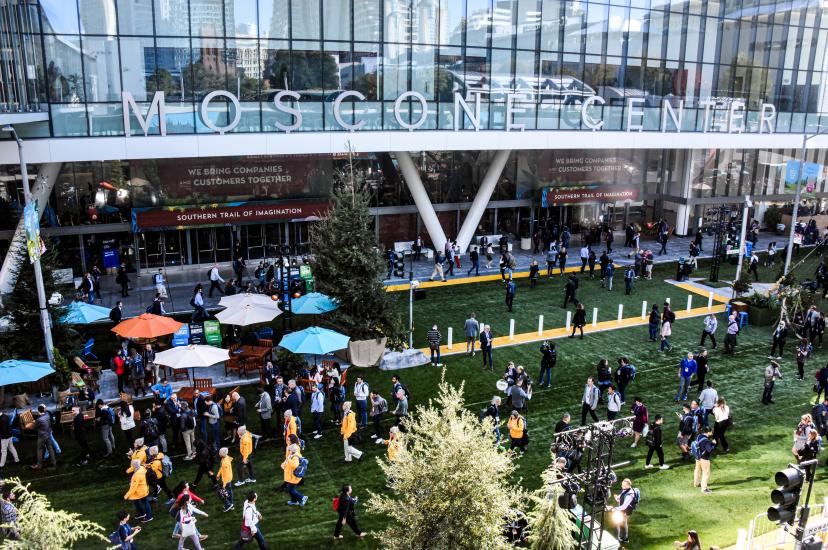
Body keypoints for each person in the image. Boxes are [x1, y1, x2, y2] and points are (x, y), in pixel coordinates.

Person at [31, 404, 56, 470]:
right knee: (50, 449)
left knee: (39, 450)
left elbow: (34, 427)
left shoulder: (39, 419)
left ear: (38, 410)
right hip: (48, 434)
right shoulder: (47, 414)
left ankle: (39, 465)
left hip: (42, 436)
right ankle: (53, 463)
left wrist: (34, 422)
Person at [613, 478, 637, 544]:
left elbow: (624, 506)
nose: (621, 486)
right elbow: (620, 498)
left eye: (623, 485)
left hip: (625, 512)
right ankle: (624, 538)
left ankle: (620, 539)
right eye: (622, 485)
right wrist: (617, 498)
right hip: (623, 511)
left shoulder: (630, 494)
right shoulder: (625, 490)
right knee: (622, 523)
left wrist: (615, 508)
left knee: (619, 523)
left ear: (628, 485)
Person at [692, 426, 716, 493]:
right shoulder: (706, 441)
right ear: (708, 432)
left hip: (697, 456)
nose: (712, 432)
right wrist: (713, 444)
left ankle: (696, 484)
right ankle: (704, 489)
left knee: (697, 470)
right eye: (711, 431)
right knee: (706, 473)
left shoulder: (699, 436)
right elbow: (710, 450)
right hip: (704, 458)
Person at [216, 447, 234, 512]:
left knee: (220, 492)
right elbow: (221, 468)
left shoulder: (225, 462)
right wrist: (218, 474)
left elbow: (226, 474)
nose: (219, 453)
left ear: (223, 454)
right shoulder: (224, 459)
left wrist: (224, 484)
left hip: (226, 480)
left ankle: (228, 505)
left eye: (220, 453)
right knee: (229, 492)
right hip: (227, 479)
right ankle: (231, 504)